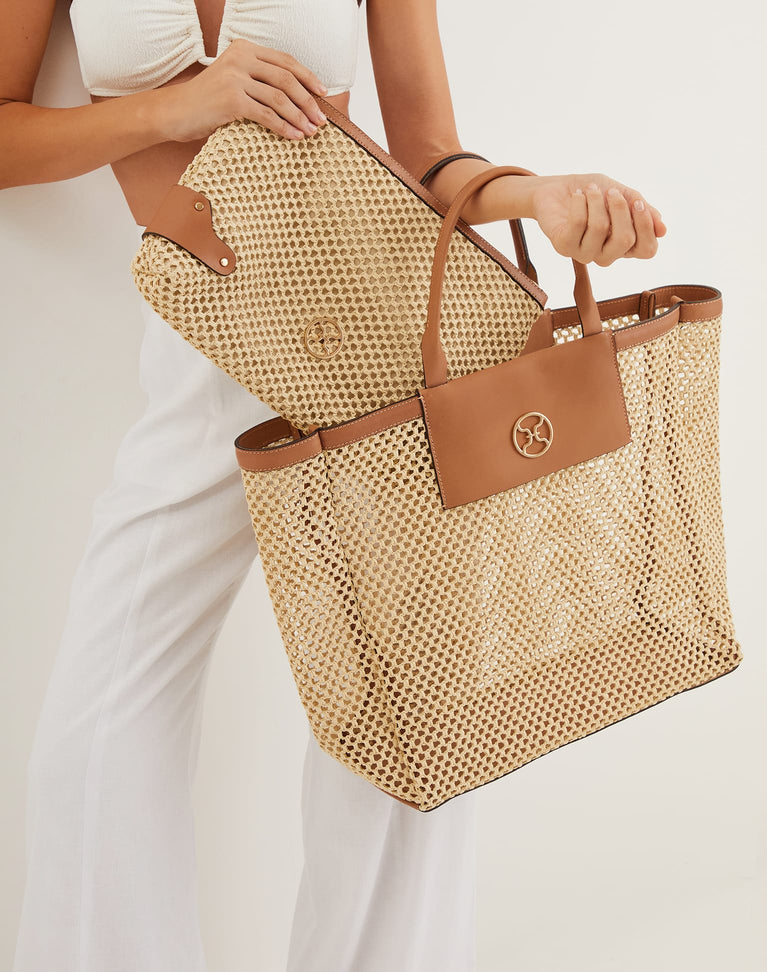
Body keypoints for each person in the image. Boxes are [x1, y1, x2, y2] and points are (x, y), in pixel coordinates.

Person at [3, 1, 667, 970]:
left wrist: (537, 196)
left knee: (413, 712)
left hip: (373, 328)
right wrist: (169, 110)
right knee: (104, 703)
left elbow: (429, 157)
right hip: (200, 345)